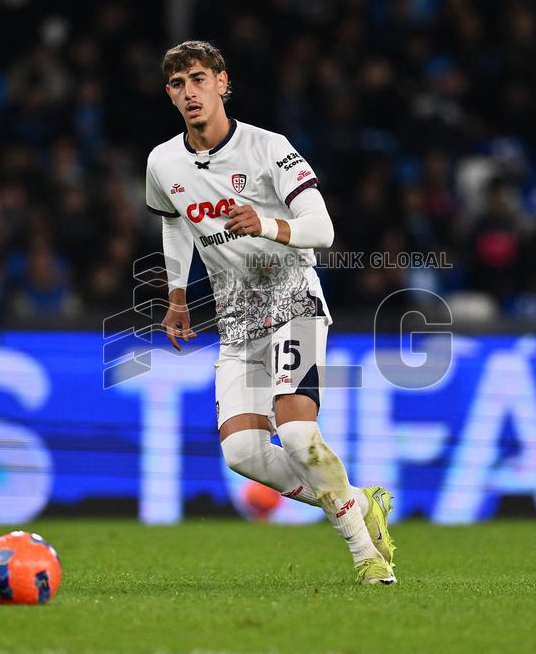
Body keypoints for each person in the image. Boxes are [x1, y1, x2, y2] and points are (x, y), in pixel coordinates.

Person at [146, 41, 396, 584]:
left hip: (293, 302)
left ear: (221, 82)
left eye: (197, 79)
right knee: (242, 452)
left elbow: (323, 230)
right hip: (236, 320)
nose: (189, 92)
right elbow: (171, 223)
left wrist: (266, 224)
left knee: (301, 438)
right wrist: (176, 296)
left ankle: (365, 557)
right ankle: (356, 503)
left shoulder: (268, 149)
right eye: (176, 84)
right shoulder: (163, 162)